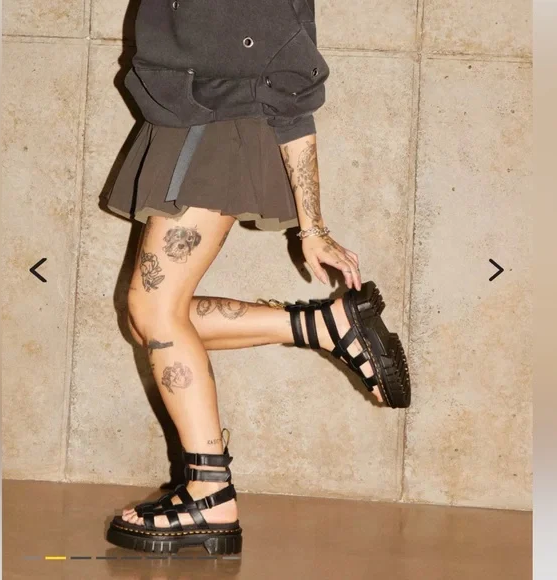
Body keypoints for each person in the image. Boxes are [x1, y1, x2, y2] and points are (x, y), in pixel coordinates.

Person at [105, 0, 411, 555]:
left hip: (215, 126)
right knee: (143, 321)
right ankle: (324, 325)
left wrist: (313, 226)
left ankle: (210, 493)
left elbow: (292, 88)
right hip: (184, 120)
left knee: (155, 312)